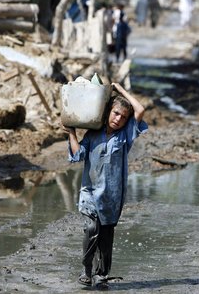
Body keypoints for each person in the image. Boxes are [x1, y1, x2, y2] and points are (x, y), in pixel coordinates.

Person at [62, 83, 148, 289]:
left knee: (106, 237)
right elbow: (78, 156)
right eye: (116, 113)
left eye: (123, 117)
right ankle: (86, 270)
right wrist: (71, 133)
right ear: (108, 111)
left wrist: (119, 88)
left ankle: (101, 275)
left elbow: (141, 110)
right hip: (90, 192)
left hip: (112, 194)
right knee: (92, 229)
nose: (118, 119)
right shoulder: (92, 135)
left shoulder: (125, 136)